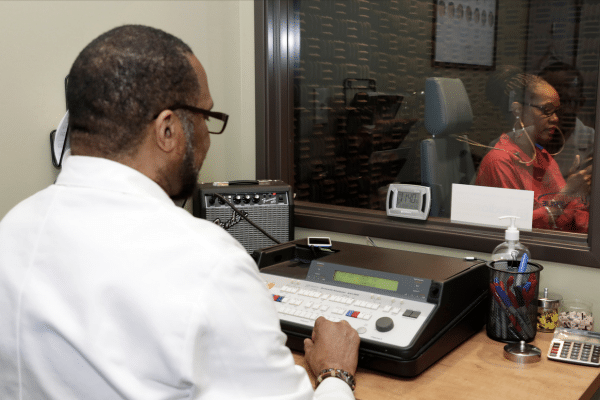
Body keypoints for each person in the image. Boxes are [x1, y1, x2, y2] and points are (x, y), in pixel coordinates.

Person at [0, 25, 359, 399]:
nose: (206, 135)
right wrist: (335, 372)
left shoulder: (12, 230)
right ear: (168, 130)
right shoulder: (208, 264)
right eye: (205, 115)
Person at [476, 72, 591, 233]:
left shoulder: (542, 157)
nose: (556, 118)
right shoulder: (500, 162)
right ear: (517, 110)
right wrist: (567, 193)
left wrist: (576, 193)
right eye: (546, 110)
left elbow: (564, 216)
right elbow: (514, 229)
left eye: (555, 111)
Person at [538, 62, 595, 178]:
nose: (556, 110)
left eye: (564, 101)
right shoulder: (510, 145)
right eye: (546, 103)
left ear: (580, 103)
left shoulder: (594, 144)